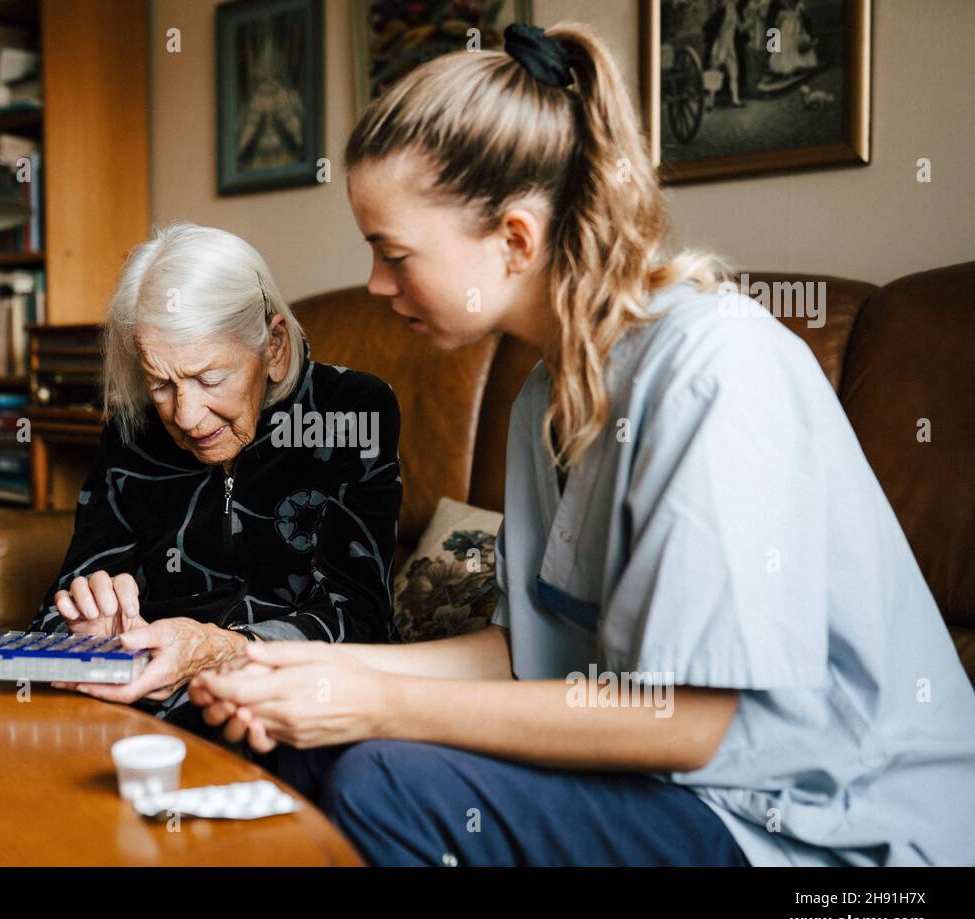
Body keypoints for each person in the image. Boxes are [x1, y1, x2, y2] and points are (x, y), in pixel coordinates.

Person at [190, 23, 975, 866]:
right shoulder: (548, 395)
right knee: (299, 745)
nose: (379, 284)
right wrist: (278, 667)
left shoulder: (716, 366)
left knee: (380, 779)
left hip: (838, 838)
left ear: (516, 239)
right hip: (684, 799)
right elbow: (528, 659)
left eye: (394, 252)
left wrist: (371, 703)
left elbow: (693, 720)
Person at [30, 222, 401, 738]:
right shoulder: (131, 433)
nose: (185, 415)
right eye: (161, 383)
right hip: (139, 701)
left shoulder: (351, 412)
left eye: (209, 379)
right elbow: (61, 599)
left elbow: (361, 621)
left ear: (273, 347)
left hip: (282, 702)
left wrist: (222, 648)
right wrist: (84, 624)